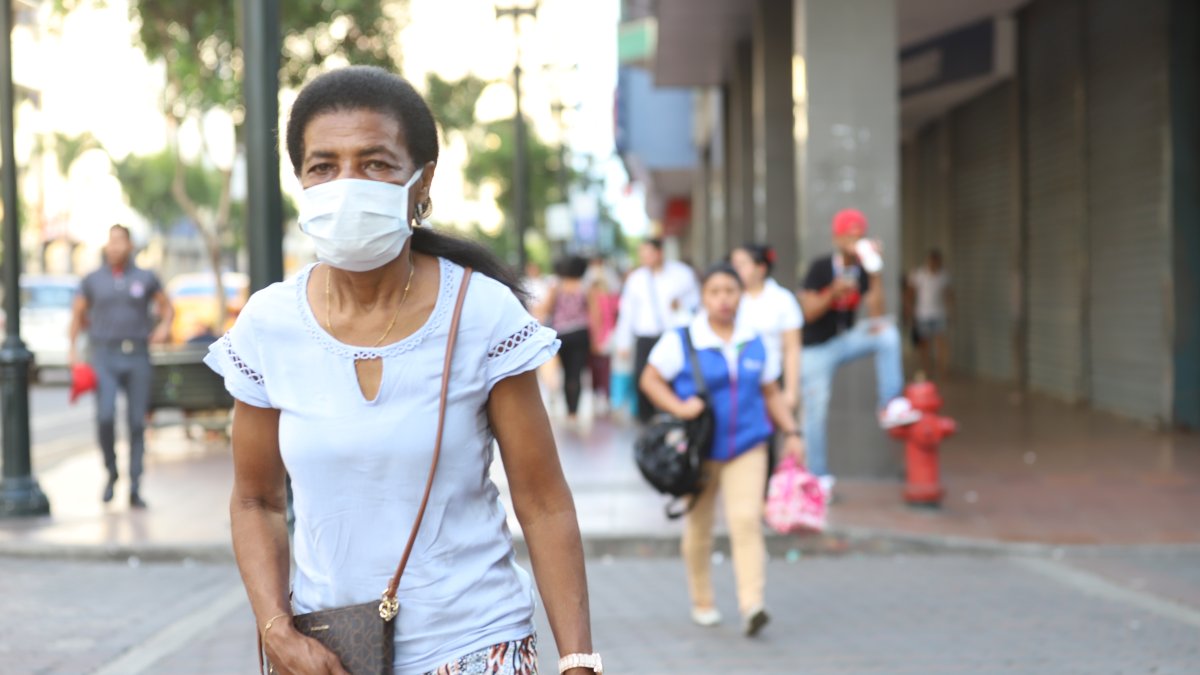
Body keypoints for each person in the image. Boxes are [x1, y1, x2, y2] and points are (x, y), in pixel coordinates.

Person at [204, 66, 597, 675]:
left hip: (475, 641)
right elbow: (255, 500)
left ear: (423, 181)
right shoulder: (268, 324)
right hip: (327, 651)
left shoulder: (481, 313)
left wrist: (577, 660)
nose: (347, 183)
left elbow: (543, 502)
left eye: (376, 163)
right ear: (301, 182)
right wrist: (276, 631)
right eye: (323, 166)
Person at [640, 263, 804, 637]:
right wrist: (680, 407)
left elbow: (771, 392)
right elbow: (649, 380)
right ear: (703, 296)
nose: (723, 299)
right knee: (699, 528)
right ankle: (703, 601)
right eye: (715, 291)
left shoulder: (755, 339)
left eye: (730, 291)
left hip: (749, 444)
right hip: (699, 450)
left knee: (746, 520)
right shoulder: (682, 339)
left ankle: (752, 605)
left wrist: (792, 431)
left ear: (741, 295)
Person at [798, 208, 918, 495]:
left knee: (888, 332)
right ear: (836, 237)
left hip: (845, 340)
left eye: (859, 236)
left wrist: (875, 272)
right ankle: (819, 475)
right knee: (815, 411)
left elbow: (876, 316)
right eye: (849, 236)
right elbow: (807, 313)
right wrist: (832, 293)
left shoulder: (864, 270)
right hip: (815, 348)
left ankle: (890, 403)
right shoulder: (821, 267)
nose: (854, 241)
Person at [68, 224, 174, 509]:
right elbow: (77, 315)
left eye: (120, 241)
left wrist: (164, 327)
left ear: (130, 246)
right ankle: (111, 472)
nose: (115, 246)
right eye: (111, 241)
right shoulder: (92, 280)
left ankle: (135, 485)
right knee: (105, 416)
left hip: (138, 354)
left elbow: (167, 307)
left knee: (137, 423)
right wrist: (73, 353)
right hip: (104, 355)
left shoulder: (146, 277)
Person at [614, 238, 700, 423]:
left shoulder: (682, 274)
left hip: (672, 335)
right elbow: (627, 313)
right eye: (642, 254)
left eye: (649, 253)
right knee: (643, 378)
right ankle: (646, 418)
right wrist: (623, 342)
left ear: (659, 252)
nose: (645, 258)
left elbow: (697, 303)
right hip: (645, 336)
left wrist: (682, 305)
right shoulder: (636, 279)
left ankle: (672, 413)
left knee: (672, 376)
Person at [730, 243, 804, 412]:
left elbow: (792, 348)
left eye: (741, 265)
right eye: (732, 265)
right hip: (734, 382)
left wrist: (791, 391)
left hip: (770, 382)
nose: (735, 270)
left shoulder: (782, 299)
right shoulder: (728, 298)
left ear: (761, 268)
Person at [536, 255, 592, 426]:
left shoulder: (556, 287)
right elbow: (594, 314)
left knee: (555, 371)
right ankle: (572, 411)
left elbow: (544, 309)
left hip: (560, 334)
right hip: (581, 334)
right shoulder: (585, 288)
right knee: (575, 373)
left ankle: (555, 399)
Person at [905, 248, 953, 380]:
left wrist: (951, 311)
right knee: (925, 344)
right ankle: (927, 370)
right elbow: (910, 293)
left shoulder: (944, 276)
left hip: (939, 314)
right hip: (923, 315)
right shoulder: (919, 275)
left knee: (941, 344)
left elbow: (949, 294)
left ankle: (943, 372)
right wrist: (910, 310)